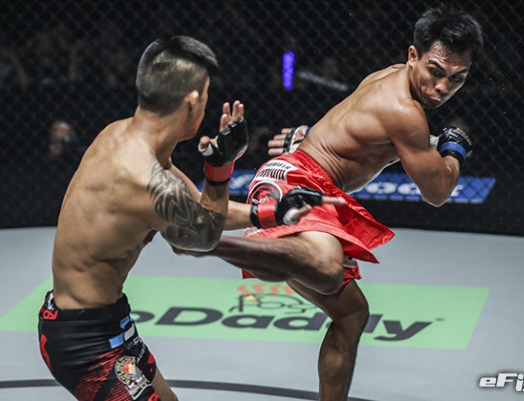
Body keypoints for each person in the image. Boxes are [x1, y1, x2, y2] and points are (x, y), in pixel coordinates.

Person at [186, 5, 484, 401]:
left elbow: (366, 132)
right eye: (436, 71)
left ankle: (227, 231)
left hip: (298, 177)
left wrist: (308, 135)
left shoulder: (391, 78)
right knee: (330, 278)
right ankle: (216, 240)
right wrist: (455, 148)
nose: (443, 87)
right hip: (299, 183)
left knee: (351, 313)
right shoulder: (406, 113)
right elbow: (438, 191)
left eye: (457, 78)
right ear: (413, 55)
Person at [37, 35, 333, 401]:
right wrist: (219, 171)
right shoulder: (142, 179)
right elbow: (201, 237)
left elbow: (194, 209)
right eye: (207, 94)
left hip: (109, 322)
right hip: (84, 343)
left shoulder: (122, 134)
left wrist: (274, 211)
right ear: (193, 102)